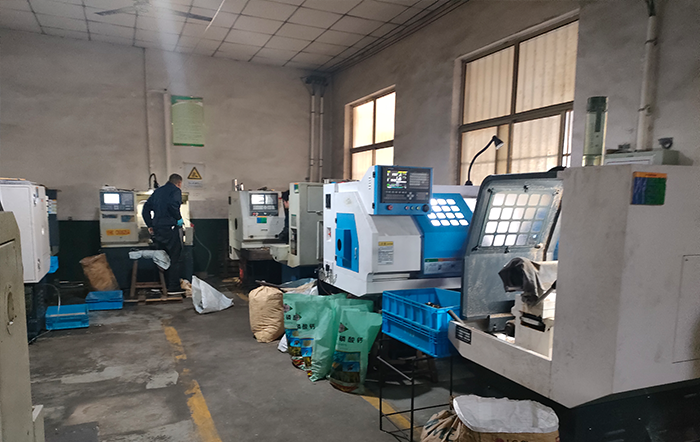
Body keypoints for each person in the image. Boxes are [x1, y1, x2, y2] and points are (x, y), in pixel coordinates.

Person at [142, 173, 185, 293]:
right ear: (179, 183)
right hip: (170, 229)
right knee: (174, 258)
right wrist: (178, 218)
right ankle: (173, 287)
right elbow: (173, 205)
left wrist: (150, 225)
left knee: (160, 257)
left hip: (158, 230)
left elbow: (145, 209)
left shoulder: (157, 192)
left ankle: (159, 285)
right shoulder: (175, 191)